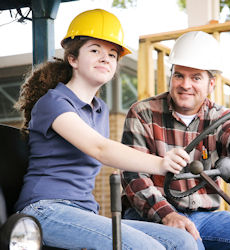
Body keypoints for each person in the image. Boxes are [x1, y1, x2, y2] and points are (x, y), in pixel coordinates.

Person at [14, 9, 199, 250]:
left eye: (112, 55)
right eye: (94, 50)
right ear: (73, 59)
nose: (105, 58)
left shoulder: (99, 108)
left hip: (84, 211)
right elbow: (100, 149)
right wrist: (162, 163)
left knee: (181, 240)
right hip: (45, 210)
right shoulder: (53, 102)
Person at [121, 31, 230, 250]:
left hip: (206, 216)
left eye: (196, 77)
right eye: (179, 75)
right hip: (150, 214)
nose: (185, 84)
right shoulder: (143, 113)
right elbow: (134, 176)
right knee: (188, 243)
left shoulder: (220, 118)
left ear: (211, 84)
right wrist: (167, 214)